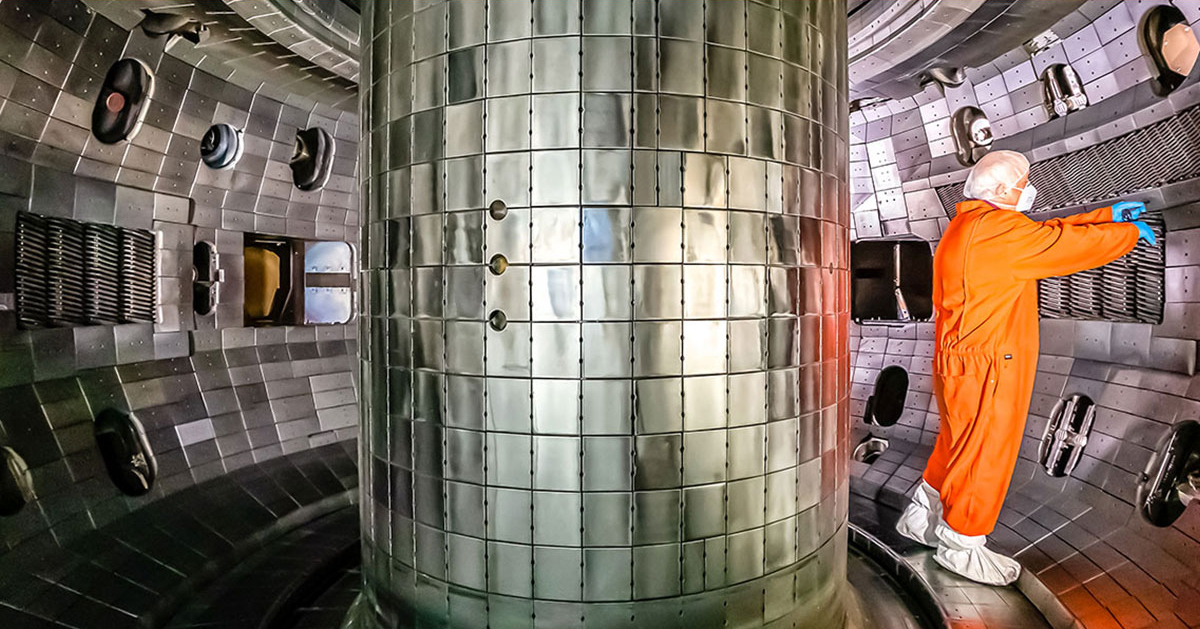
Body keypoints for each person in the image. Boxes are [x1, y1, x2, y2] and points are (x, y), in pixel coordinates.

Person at [894, 150, 1156, 586]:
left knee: (958, 445)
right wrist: (1124, 232)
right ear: (1000, 191)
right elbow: (1066, 247)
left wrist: (1105, 214)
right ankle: (962, 544)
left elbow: (1043, 232)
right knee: (985, 453)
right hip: (991, 362)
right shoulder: (998, 235)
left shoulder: (972, 226)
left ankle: (921, 519)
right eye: (1023, 181)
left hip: (961, 359)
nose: (1028, 188)